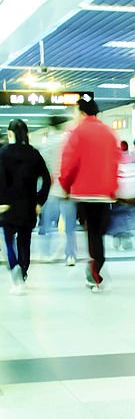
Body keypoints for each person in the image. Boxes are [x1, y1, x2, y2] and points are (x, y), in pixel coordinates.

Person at [59, 97, 119, 291]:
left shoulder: (78, 133)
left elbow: (69, 164)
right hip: (104, 192)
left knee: (92, 232)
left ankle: (95, 270)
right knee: (97, 232)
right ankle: (96, 266)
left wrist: (65, 186)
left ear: (82, 113)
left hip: (84, 193)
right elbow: (115, 163)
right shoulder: (109, 133)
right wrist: (112, 188)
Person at [0, 119, 51, 293]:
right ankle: (23, 272)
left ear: (10, 134)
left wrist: (2, 201)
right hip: (29, 207)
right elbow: (46, 179)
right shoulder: (34, 154)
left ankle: (14, 267)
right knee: (24, 242)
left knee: (8, 241)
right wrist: (39, 201)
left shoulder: (3, 153)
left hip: (8, 207)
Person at [37, 115, 78, 265]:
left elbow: (43, 168)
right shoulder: (70, 141)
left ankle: (46, 253)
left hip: (52, 189)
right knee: (70, 226)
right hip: (68, 189)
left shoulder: (47, 143)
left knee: (47, 223)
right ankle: (70, 255)